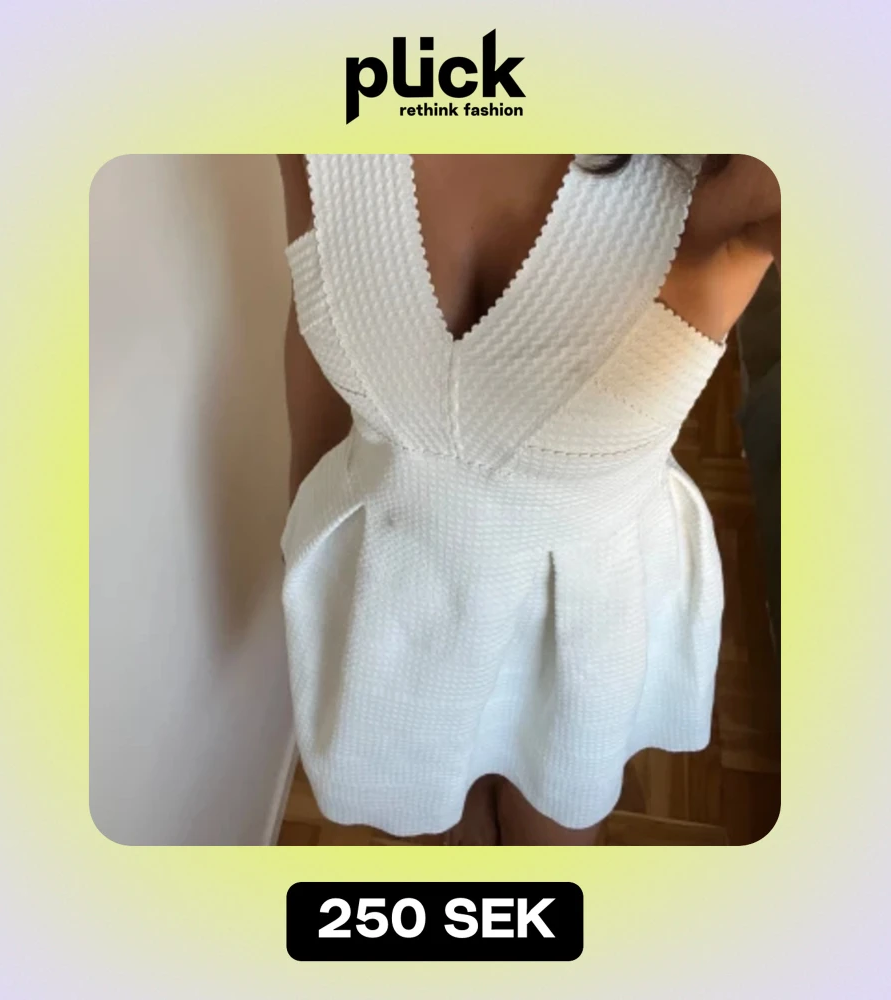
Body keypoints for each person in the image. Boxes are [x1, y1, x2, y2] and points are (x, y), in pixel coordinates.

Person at [277, 153, 780, 846]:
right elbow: (314, 298)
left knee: (547, 846)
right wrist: (302, 527)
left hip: (585, 622)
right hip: (386, 600)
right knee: (423, 834)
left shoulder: (740, 172)